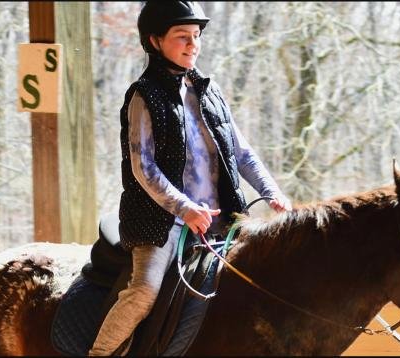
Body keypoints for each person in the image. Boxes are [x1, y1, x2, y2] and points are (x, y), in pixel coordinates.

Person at [88, 1, 292, 355]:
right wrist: (184, 209)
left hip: (222, 221)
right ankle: (100, 352)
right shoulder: (143, 96)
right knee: (144, 292)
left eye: (196, 36)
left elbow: (242, 153)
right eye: (182, 36)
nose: (192, 44)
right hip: (161, 224)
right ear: (155, 41)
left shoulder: (209, 93)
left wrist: (271, 191)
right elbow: (144, 168)